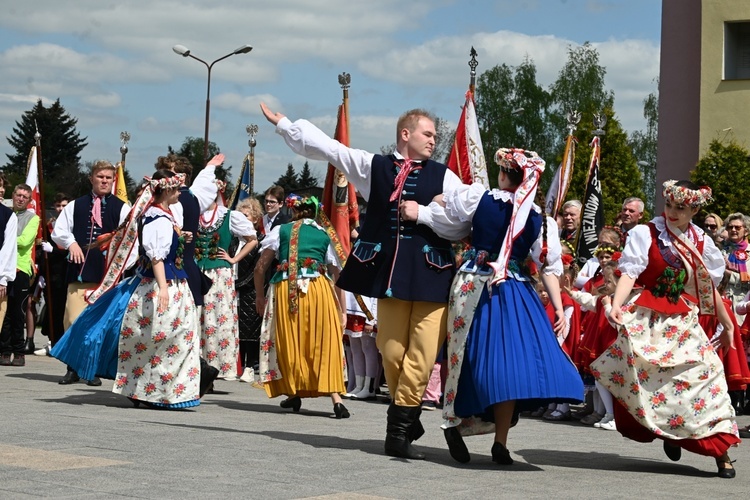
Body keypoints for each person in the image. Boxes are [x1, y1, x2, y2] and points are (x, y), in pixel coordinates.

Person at [261, 102, 466, 459]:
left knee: (420, 354)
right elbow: (331, 149)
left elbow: (461, 224)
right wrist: (285, 125)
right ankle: (409, 413)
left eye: (435, 135)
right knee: (390, 348)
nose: (434, 140)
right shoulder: (375, 166)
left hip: (432, 274)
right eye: (428, 134)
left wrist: (426, 213)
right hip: (388, 273)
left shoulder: (444, 176)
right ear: (406, 134)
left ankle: (397, 430)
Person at [436, 148, 584, 465]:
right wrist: (558, 309)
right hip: (515, 292)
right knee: (510, 363)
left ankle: (453, 420)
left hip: (475, 283)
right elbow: (548, 267)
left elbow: (445, 208)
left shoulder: (480, 199)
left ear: (503, 174)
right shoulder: (538, 220)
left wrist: (422, 211)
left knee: (463, 354)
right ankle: (499, 442)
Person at [601, 180, 739, 479]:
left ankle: (721, 453)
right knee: (656, 383)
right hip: (649, 318)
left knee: (705, 377)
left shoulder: (700, 240)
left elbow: (707, 288)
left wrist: (727, 325)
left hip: (682, 319)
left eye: (681, 208)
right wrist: (616, 303)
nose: (672, 213)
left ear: (694, 210)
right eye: (669, 206)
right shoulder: (646, 233)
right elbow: (630, 273)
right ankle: (670, 433)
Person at [253, 193, 349, 419]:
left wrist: (259, 295)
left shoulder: (281, 231)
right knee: (321, 341)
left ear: (293, 211)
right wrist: (342, 310)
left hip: (288, 289)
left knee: (290, 340)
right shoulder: (325, 234)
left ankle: (293, 389)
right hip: (320, 290)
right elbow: (337, 275)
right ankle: (335, 398)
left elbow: (260, 267)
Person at [51, 160, 130, 385]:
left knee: (98, 326)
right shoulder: (76, 205)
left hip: (107, 278)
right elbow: (59, 232)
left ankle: (91, 369)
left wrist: (120, 265)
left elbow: (131, 239)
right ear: (91, 179)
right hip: (80, 274)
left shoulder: (121, 207)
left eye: (108, 178)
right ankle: (73, 367)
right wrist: (71, 243)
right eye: (100, 177)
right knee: (73, 320)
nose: (104, 181)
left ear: (113, 180)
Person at [196, 192, 257, 380]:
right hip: (197, 271)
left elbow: (252, 239)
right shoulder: (194, 214)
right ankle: (197, 367)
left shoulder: (229, 216)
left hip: (219, 275)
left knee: (217, 320)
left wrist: (233, 259)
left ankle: (216, 368)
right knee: (197, 319)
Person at [0, 184, 40, 367]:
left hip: (21, 269)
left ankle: (18, 351)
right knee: (5, 312)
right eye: (18, 195)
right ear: (13, 196)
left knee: (18, 312)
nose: (21, 199)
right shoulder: (7, 214)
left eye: (25, 196)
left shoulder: (33, 218)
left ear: (29, 200)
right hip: (4, 269)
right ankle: (4, 350)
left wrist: (5, 238)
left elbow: (24, 242)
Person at [235, 198, 265, 384]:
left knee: (250, 330)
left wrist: (238, 284)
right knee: (237, 329)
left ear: (254, 218)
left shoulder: (260, 241)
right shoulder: (233, 240)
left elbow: (258, 268)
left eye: (245, 216)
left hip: (250, 290)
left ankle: (250, 365)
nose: (241, 219)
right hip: (234, 288)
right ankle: (238, 364)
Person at [720, 212, 750, 323]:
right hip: (722, 305)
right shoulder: (721, 251)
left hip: (741, 308)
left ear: (746, 231)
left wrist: (730, 275)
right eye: (730, 227)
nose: (733, 230)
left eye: (737, 227)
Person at [0, 177, 18, 356]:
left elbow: (8, 249)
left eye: (2, 185)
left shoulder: (8, 215)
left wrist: (3, 278)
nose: (0, 189)